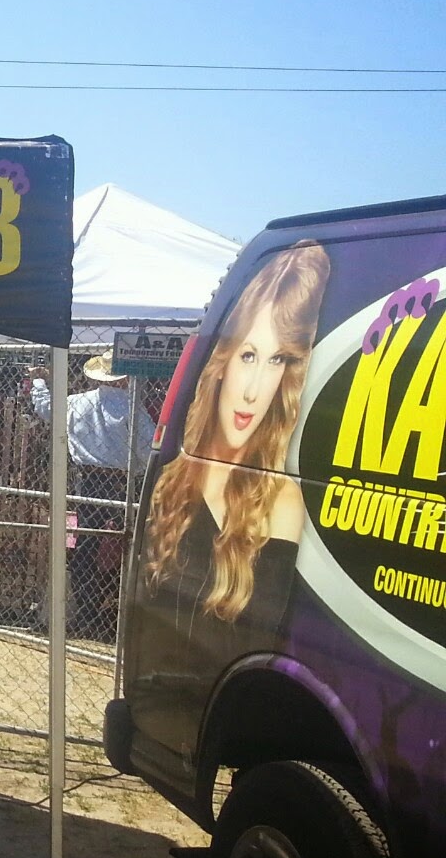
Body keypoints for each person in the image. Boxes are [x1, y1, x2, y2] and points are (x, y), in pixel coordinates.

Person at [139, 240, 331, 664]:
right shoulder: (174, 476)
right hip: (156, 689)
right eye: (248, 355)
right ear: (222, 361)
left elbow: (257, 650)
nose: (253, 391)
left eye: (276, 360)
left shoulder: (279, 501)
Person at [27, 354, 159, 636]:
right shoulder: (132, 408)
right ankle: (120, 613)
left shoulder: (77, 402)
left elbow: (46, 409)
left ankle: (88, 612)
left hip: (88, 481)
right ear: (125, 378)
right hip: (124, 483)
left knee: (86, 547)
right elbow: (149, 450)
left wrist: (39, 381)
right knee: (131, 543)